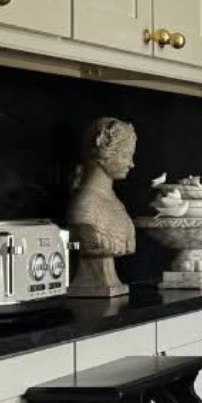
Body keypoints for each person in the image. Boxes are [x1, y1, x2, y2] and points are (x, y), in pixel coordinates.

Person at [67, 117, 137, 297]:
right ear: (103, 155)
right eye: (125, 155)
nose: (131, 164)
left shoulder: (114, 202)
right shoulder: (85, 207)